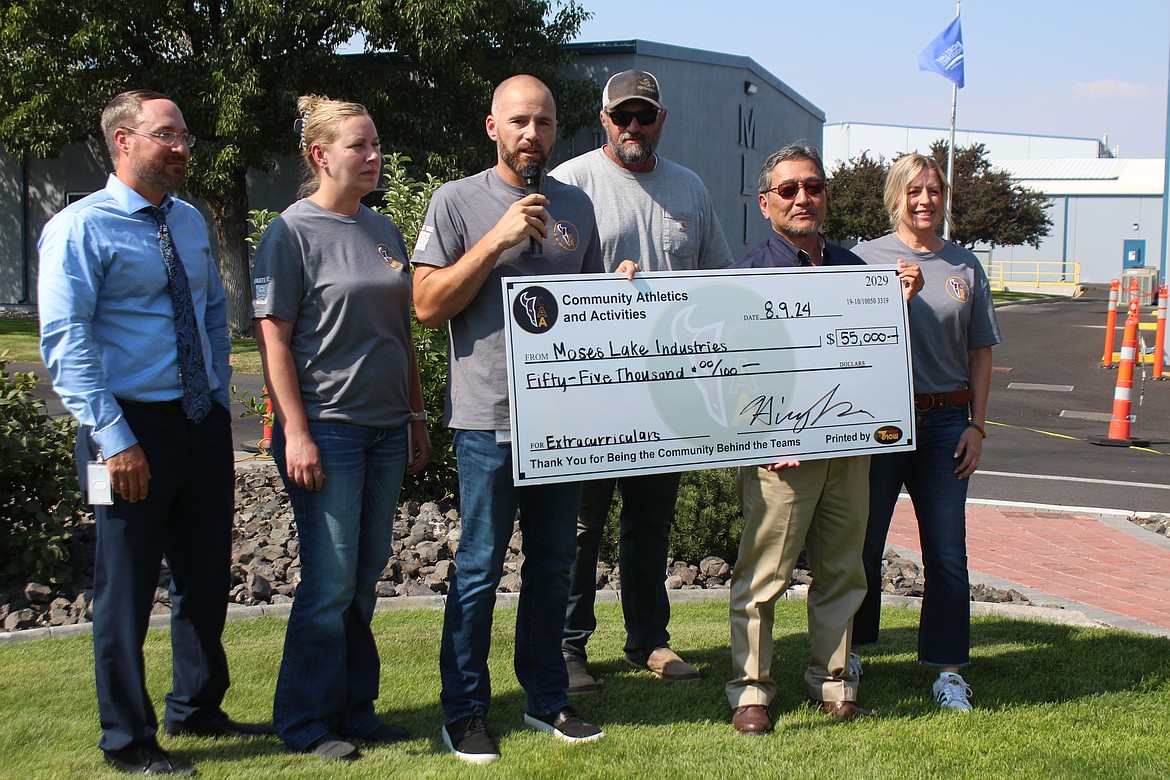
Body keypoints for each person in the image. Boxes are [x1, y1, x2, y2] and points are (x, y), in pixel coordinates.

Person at [38, 89, 270, 776]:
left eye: (184, 135)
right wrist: (113, 439)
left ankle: (196, 706)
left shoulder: (191, 222)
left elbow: (207, 314)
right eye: (166, 135)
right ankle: (127, 740)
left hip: (198, 423)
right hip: (127, 426)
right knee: (126, 589)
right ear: (123, 141)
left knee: (204, 577)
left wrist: (221, 406)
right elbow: (65, 341)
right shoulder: (81, 228)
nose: (181, 148)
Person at [411, 74, 605, 765]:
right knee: (478, 568)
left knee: (554, 565)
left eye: (544, 122)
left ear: (557, 131)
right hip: (488, 419)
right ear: (492, 127)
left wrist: (625, 290)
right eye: (519, 121)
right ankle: (463, 712)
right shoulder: (458, 201)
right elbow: (428, 304)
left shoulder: (578, 205)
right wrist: (494, 241)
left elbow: (594, 319)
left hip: (561, 424)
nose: (532, 133)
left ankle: (547, 698)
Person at [252, 95, 431, 760]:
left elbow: (401, 333)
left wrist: (415, 414)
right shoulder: (290, 232)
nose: (374, 155)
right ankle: (303, 720)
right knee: (328, 582)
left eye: (377, 144)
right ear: (320, 154)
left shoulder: (383, 229)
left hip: (387, 427)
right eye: (360, 146)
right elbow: (274, 342)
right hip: (326, 429)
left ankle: (356, 709)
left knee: (363, 576)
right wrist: (294, 432)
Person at [725, 143, 921, 735]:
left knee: (843, 570)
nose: (802, 198)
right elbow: (727, 373)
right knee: (763, 576)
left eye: (813, 187)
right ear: (766, 203)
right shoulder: (745, 276)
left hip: (849, 449)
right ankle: (751, 690)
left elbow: (874, 358)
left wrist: (897, 303)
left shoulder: (857, 272)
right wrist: (760, 436)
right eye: (788, 190)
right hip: (779, 456)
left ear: (826, 196)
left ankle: (834, 681)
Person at [549, 69, 734, 692]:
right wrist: (598, 286)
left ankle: (649, 641)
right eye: (622, 115)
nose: (633, 126)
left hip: (667, 394)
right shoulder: (570, 182)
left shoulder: (690, 188)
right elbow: (542, 294)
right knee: (580, 526)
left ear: (661, 120)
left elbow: (719, 284)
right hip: (594, 391)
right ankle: (569, 647)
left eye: (645, 115)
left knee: (650, 523)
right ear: (604, 119)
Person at [851, 153, 1002, 712]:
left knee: (946, 549)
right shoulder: (865, 258)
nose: (925, 200)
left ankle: (949, 670)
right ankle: (852, 651)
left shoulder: (965, 266)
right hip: (882, 421)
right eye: (914, 190)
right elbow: (844, 333)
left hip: (945, 423)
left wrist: (977, 425)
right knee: (863, 545)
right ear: (895, 197)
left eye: (933, 190)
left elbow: (980, 350)